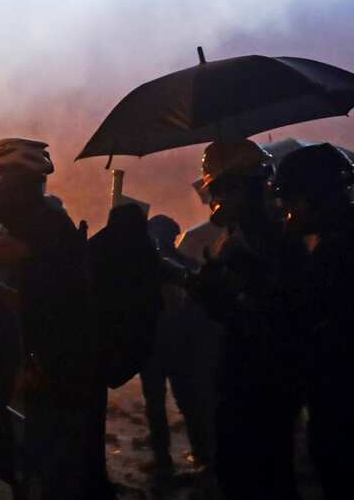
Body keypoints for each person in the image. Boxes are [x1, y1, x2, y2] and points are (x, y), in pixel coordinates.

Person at [0, 138, 99, 499]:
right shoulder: (42, 221)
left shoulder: (44, 222)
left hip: (62, 363)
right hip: (55, 357)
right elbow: (42, 290)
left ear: (15, 182)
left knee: (52, 464)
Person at [190, 139, 305, 500]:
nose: (216, 201)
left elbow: (265, 323)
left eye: (220, 189)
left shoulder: (269, 244)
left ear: (241, 187)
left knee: (255, 480)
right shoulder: (250, 239)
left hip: (258, 391)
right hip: (255, 387)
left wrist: (219, 295)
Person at [273, 143, 354, 498]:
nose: (284, 211)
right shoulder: (348, 243)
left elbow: (312, 328)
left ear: (313, 198)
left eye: (289, 201)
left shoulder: (341, 254)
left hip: (347, 411)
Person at [139, 214, 220, 475]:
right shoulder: (184, 265)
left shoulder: (150, 266)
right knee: (186, 400)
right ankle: (200, 454)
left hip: (158, 345)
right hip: (175, 345)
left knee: (162, 402)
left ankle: (168, 458)